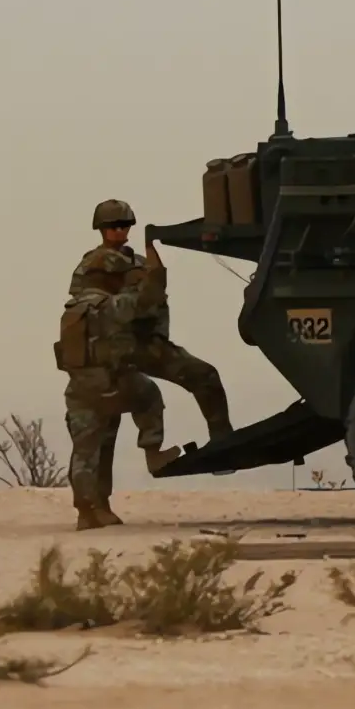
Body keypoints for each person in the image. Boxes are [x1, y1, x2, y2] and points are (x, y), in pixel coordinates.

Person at [56, 200, 235, 529]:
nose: (120, 232)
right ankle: (92, 507)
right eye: (114, 226)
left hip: (122, 356)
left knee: (197, 378)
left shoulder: (123, 270)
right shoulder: (96, 285)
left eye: (125, 225)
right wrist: (153, 278)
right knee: (107, 431)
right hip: (113, 361)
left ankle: (95, 508)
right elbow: (136, 303)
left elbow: (150, 306)